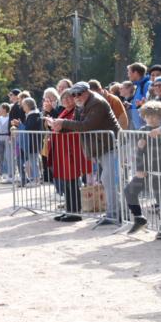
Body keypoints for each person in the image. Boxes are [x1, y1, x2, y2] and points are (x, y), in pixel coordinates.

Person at [45, 81, 122, 225]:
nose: (76, 97)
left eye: (79, 94)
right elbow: (75, 124)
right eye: (73, 94)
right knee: (107, 180)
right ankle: (116, 213)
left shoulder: (97, 103)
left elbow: (87, 125)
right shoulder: (82, 104)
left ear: (87, 91)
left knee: (109, 180)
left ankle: (115, 214)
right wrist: (57, 125)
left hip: (110, 145)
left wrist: (63, 123)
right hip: (100, 147)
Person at [125, 101, 161, 239]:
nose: (151, 119)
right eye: (147, 116)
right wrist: (139, 168)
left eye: (154, 116)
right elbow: (138, 152)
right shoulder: (142, 130)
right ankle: (139, 218)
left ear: (160, 116)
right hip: (145, 170)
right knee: (129, 191)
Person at [45, 89, 92, 222]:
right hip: (63, 149)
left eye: (68, 97)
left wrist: (56, 124)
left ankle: (75, 212)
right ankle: (69, 210)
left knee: (72, 181)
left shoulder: (77, 111)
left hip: (71, 149)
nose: (66, 100)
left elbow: (72, 126)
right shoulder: (65, 111)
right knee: (66, 181)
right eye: (63, 98)